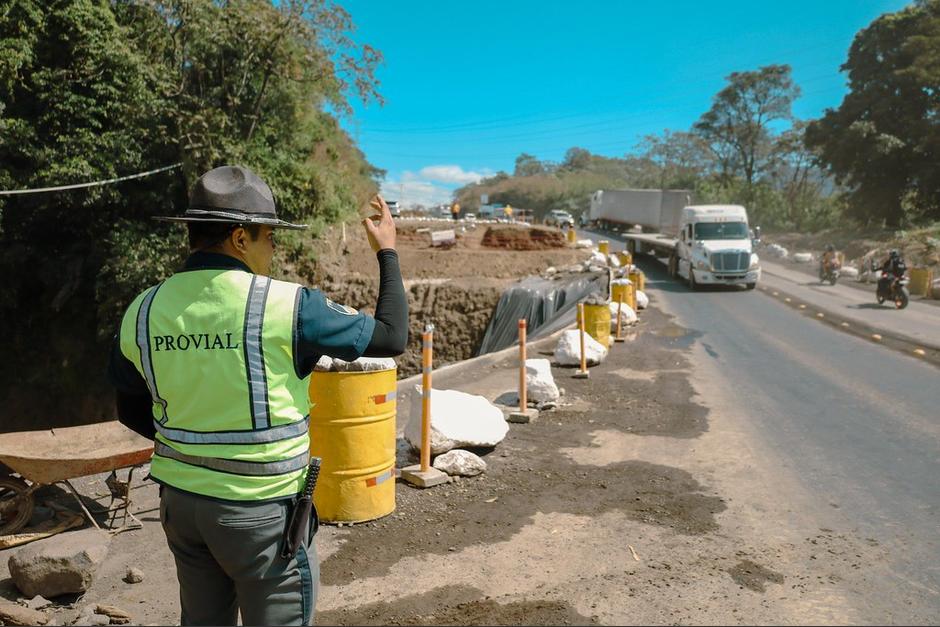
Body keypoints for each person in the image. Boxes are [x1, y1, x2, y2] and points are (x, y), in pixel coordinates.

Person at [106, 165, 408, 626]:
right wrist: (386, 251)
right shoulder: (288, 306)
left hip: (182, 508)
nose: (273, 247)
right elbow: (390, 336)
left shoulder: (143, 310)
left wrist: (192, 441)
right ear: (241, 238)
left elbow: (128, 407)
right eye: (270, 236)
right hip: (261, 514)